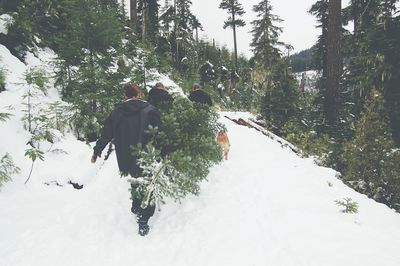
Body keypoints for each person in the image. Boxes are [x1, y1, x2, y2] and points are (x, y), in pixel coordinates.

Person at [91, 83, 161, 236]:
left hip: (126, 157)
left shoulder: (116, 112)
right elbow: (160, 132)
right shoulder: (150, 110)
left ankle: (136, 207)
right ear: (139, 94)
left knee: (136, 178)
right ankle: (143, 219)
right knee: (149, 184)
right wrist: (165, 151)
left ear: (126, 96)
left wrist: (97, 150)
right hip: (147, 155)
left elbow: (106, 134)